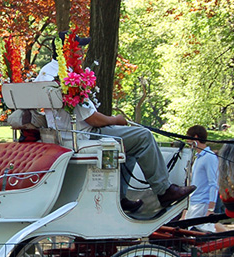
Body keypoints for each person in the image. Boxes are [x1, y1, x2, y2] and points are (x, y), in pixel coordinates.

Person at [34, 32, 195, 214]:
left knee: (131, 146)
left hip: (59, 135)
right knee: (143, 136)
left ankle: (119, 197)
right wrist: (116, 120)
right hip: (82, 135)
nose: (81, 50)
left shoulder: (45, 72)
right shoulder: (68, 77)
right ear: (68, 50)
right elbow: (92, 118)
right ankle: (164, 191)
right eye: (78, 47)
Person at [183, 125, 222, 232]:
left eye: (188, 138)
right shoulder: (198, 157)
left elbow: (213, 183)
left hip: (202, 202)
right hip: (195, 201)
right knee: (194, 229)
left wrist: (210, 208)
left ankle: (233, 239)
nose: (187, 141)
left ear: (195, 138)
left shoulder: (209, 157)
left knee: (204, 229)